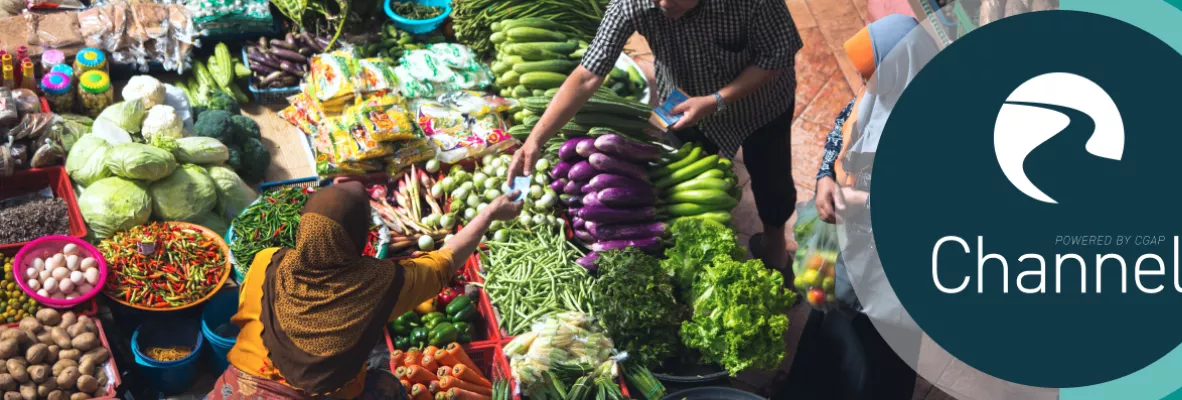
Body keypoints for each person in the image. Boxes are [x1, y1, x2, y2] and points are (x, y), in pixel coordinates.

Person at [506, 0, 804, 274]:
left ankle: (774, 248)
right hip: (683, 97)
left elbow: (776, 56)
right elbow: (587, 75)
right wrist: (535, 140)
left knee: (772, 181)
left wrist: (715, 100)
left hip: (761, 105)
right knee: (682, 164)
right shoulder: (634, 2)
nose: (662, 5)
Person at [207, 182, 522, 399]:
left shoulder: (266, 261)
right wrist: (488, 214)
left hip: (235, 388)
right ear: (358, 239)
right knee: (386, 385)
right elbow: (444, 262)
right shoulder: (380, 283)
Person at [782, 14, 927, 400]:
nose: (864, 86)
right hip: (848, 251)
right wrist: (825, 177)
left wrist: (866, 204)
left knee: (877, 361)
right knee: (829, 331)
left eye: (871, 75)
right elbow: (839, 130)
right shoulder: (875, 93)